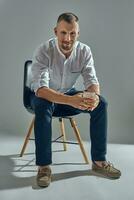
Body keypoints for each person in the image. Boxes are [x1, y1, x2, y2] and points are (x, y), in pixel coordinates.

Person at [29, 12, 121, 187]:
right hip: (43, 96)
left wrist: (93, 97)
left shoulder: (84, 51)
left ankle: (99, 162)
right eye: (63, 33)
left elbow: (92, 81)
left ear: (78, 34)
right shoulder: (43, 50)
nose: (67, 38)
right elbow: (40, 90)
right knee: (43, 105)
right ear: (56, 31)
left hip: (66, 95)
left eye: (72, 33)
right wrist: (71, 100)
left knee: (102, 104)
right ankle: (43, 167)